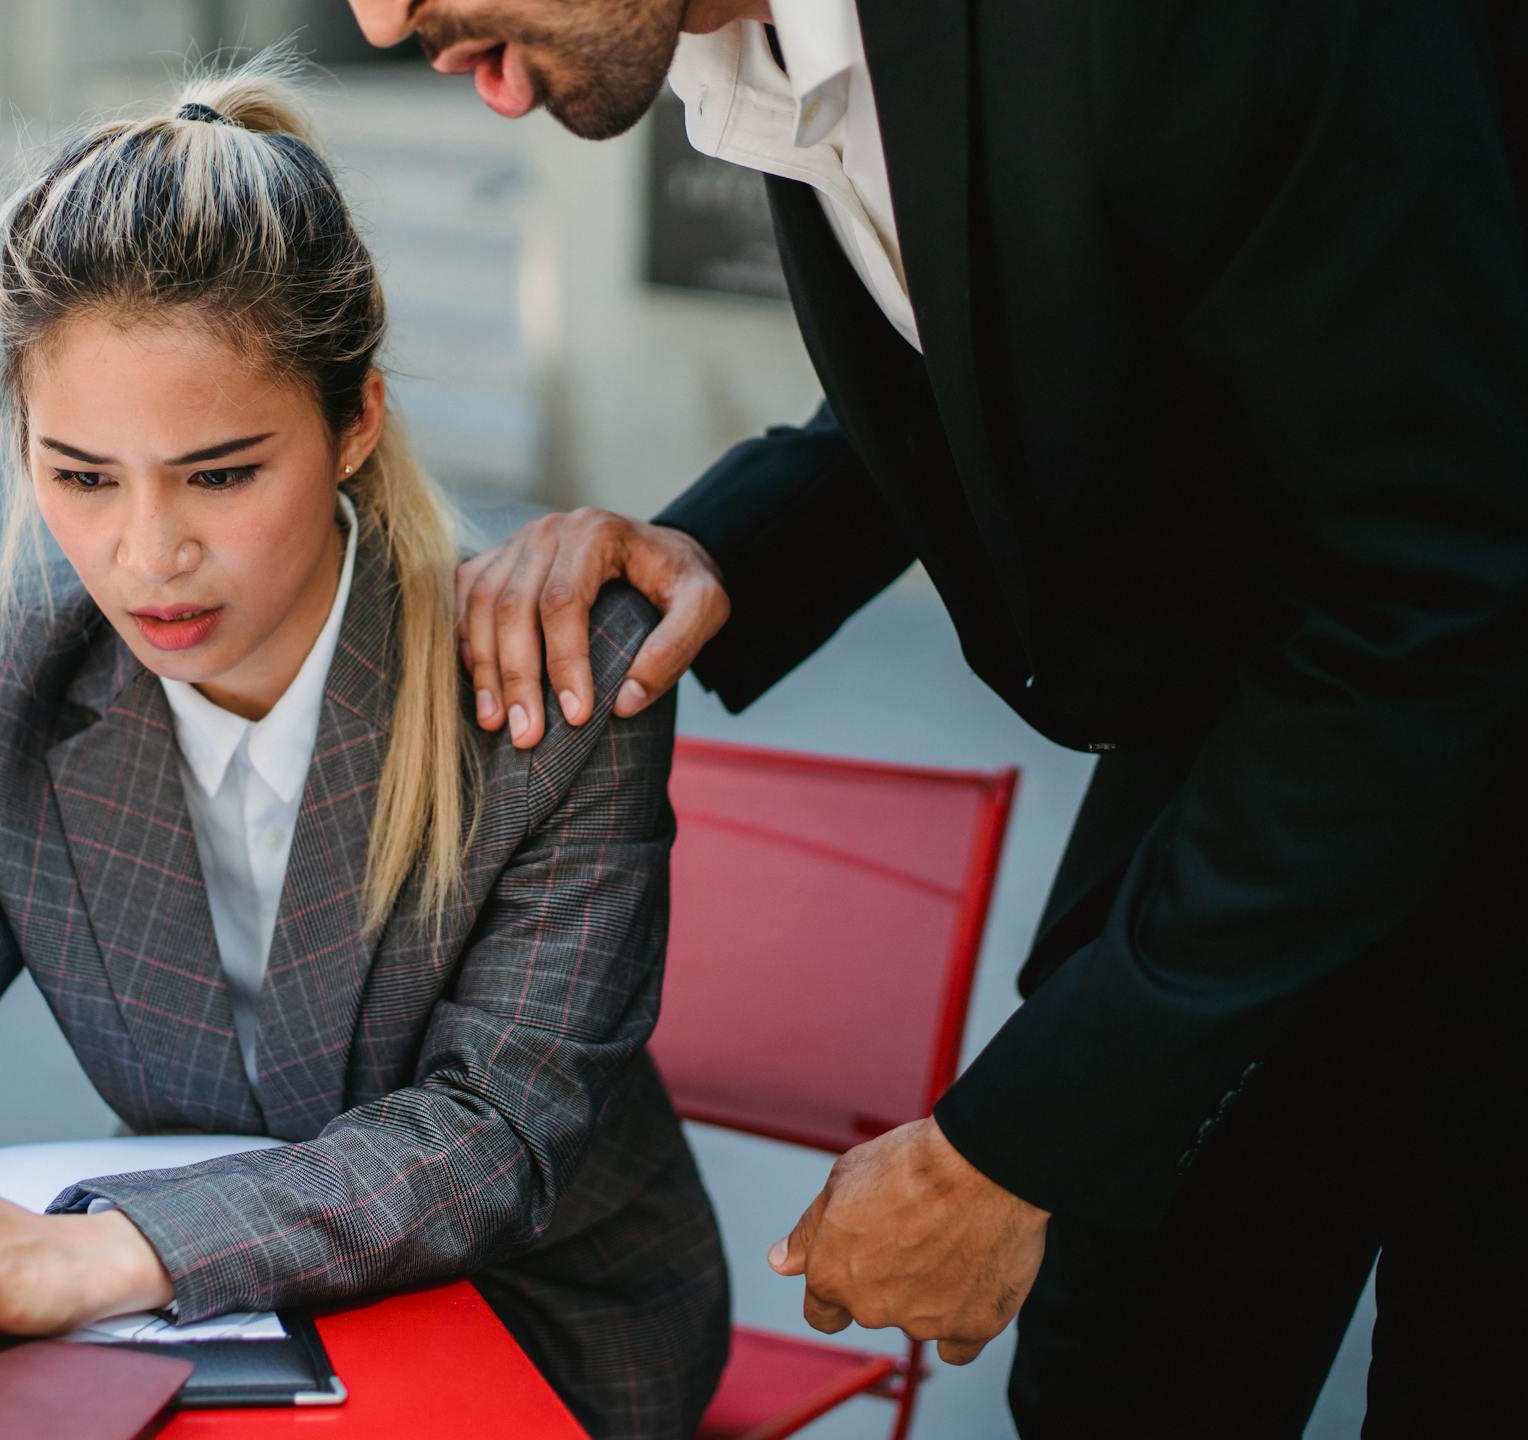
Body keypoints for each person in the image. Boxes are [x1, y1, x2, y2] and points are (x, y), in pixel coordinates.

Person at [349, 0, 1528, 1433]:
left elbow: (1432, 589)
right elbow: (1021, 319)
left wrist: (1009, 1151)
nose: (378, 11)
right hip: (1280, 742)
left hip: (1411, 700)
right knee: (1122, 1381)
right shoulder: (787, 51)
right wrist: (727, 550)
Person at [0, 60, 728, 1440]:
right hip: (200, 1317)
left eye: (220, 474)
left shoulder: (544, 671)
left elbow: (495, 1136)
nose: (147, 556)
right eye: (81, 477)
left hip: (530, 1315)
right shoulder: (17, 664)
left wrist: (108, 1251)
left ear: (356, 423)